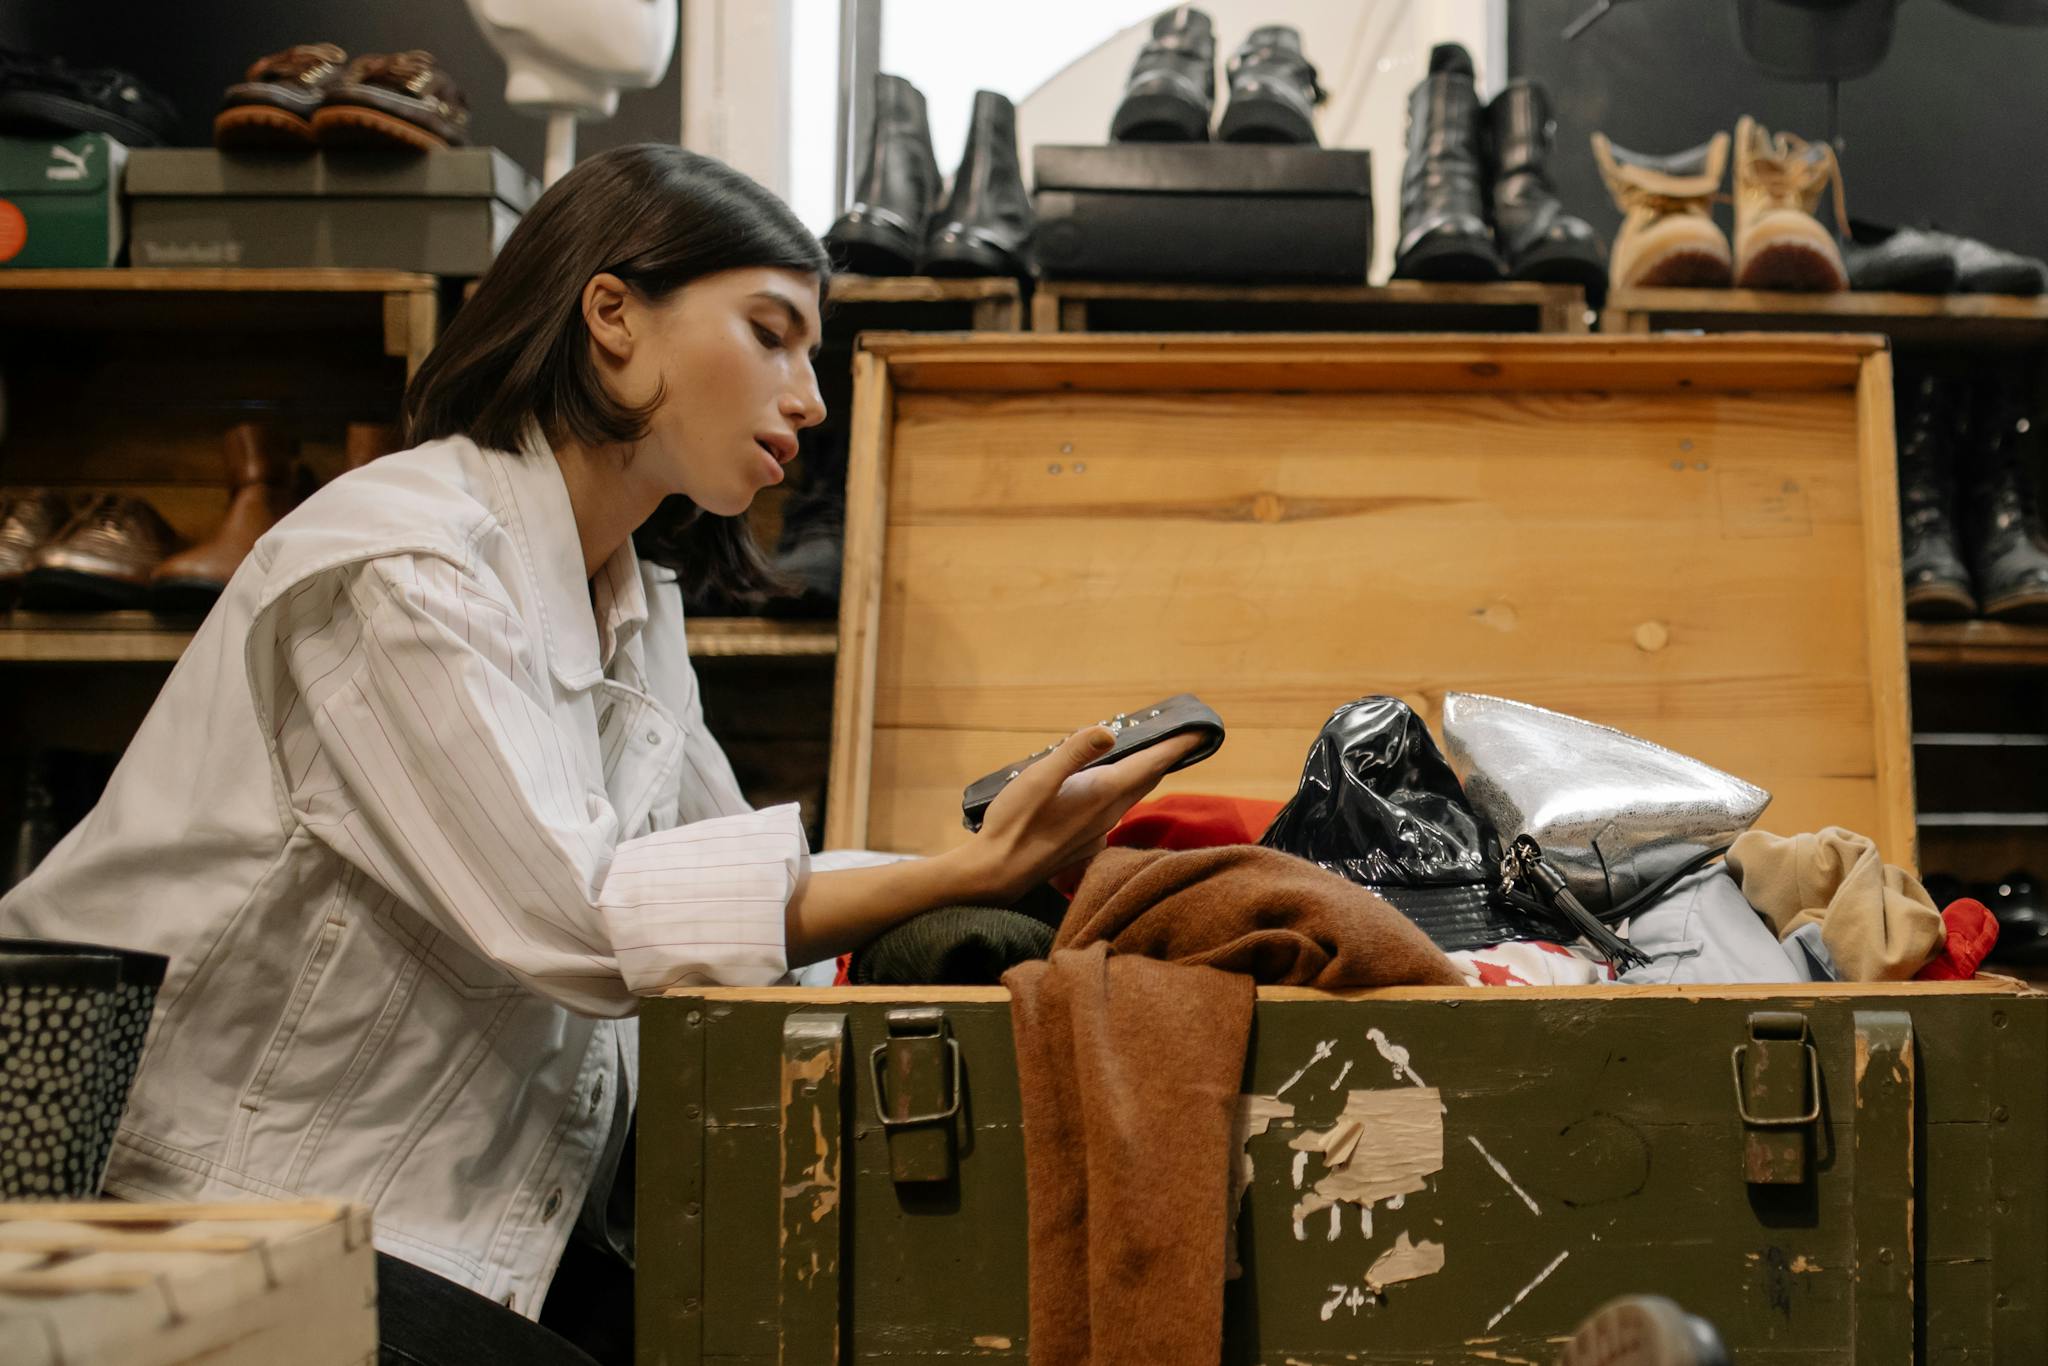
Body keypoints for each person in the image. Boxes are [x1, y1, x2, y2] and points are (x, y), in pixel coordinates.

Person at [0, 145, 1195, 1364]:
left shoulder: (628, 605)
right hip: (190, 1221)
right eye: (770, 333)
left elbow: (719, 887)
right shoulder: (404, 566)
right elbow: (579, 916)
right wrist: (958, 873)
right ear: (612, 316)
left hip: (432, 1234)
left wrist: (1015, 884)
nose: (811, 397)